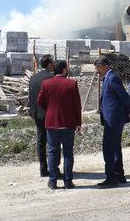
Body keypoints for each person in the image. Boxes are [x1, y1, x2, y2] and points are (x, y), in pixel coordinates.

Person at [37, 60, 82, 190]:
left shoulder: (46, 84)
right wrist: (78, 122)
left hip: (51, 123)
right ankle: (68, 181)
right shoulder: (71, 84)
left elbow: (40, 101)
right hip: (68, 123)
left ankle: (53, 181)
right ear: (63, 70)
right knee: (68, 152)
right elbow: (77, 106)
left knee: (52, 151)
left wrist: (49, 109)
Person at [94, 55, 130, 188]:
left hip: (114, 120)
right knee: (115, 148)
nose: (97, 71)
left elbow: (124, 96)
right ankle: (119, 175)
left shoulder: (112, 77)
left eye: (98, 68)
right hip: (112, 119)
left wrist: (128, 110)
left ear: (105, 66)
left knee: (109, 149)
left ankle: (111, 177)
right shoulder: (108, 78)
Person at [28, 54, 59, 178]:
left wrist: (32, 112)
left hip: (37, 114)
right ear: (50, 64)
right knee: (53, 142)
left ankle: (43, 168)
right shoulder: (50, 78)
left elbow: (30, 97)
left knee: (41, 141)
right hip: (49, 114)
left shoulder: (33, 78)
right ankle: (54, 169)